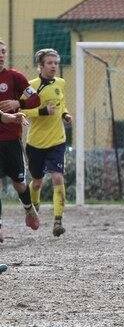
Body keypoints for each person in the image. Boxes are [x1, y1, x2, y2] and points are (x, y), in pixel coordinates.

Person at [22, 49, 72, 237]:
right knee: (36, 183)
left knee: (58, 177)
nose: (53, 66)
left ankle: (58, 221)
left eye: (55, 63)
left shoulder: (61, 83)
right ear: (40, 66)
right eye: (49, 63)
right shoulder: (31, 86)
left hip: (57, 140)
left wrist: (65, 114)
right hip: (35, 143)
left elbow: (62, 103)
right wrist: (42, 112)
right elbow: (22, 111)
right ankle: (33, 209)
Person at [0, 39, 41, 236]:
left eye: (3, 51)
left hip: (11, 141)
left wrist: (18, 103)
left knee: (20, 184)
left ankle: (29, 210)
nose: (0, 55)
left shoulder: (15, 77)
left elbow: (35, 99)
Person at [0, 110, 30, 243]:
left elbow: (2, 116)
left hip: (11, 144)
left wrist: (14, 117)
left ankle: (29, 209)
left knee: (19, 184)